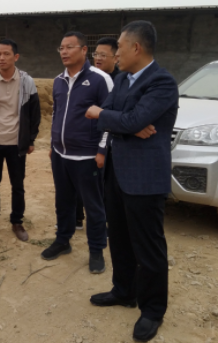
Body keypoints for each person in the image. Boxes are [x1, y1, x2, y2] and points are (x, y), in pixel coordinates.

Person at [86, 21, 179, 342]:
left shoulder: (162, 82)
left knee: (148, 247)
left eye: (120, 49)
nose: (115, 55)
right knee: (120, 238)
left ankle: (152, 310)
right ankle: (124, 290)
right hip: (116, 172)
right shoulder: (122, 79)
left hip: (145, 178)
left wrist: (120, 119)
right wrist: (125, 122)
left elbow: (114, 115)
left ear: (136, 48)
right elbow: (112, 115)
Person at [41, 32, 112, 274]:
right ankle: (63, 241)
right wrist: (53, 144)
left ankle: (96, 250)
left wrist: (102, 150)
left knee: (93, 206)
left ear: (83, 50)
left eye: (69, 47)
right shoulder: (58, 81)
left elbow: (109, 117)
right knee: (63, 201)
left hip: (88, 157)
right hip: (60, 155)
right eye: (61, 47)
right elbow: (56, 114)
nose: (64, 51)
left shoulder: (100, 80)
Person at [0, 39, 40, 242]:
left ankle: (17, 222)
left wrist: (30, 139)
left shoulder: (27, 81)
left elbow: (35, 113)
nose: (1, 58)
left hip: (16, 143)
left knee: (17, 185)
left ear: (16, 57)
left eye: (6, 54)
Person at [73, 36, 120, 228]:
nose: (98, 58)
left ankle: (105, 223)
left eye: (103, 55)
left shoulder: (120, 81)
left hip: (109, 142)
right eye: (96, 54)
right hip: (85, 140)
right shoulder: (87, 78)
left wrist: (103, 147)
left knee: (104, 185)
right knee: (79, 180)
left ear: (116, 57)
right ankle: (76, 218)